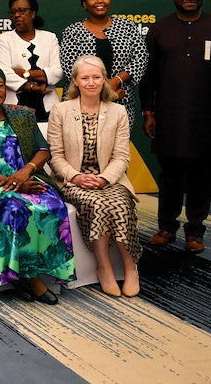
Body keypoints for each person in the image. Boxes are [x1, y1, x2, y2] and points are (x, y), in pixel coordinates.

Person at [140, 0, 211, 254]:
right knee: (170, 175)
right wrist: (149, 111)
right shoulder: (160, 30)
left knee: (203, 175)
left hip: (208, 117)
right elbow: (149, 77)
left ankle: (195, 231)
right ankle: (166, 227)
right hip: (169, 117)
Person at [0, 63, 74, 303]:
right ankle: (29, 280)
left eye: (0, 85)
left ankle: (34, 269)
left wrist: (27, 171)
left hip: (24, 176)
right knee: (14, 207)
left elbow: (43, 149)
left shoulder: (20, 115)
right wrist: (15, 184)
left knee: (52, 204)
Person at [48, 56, 140, 297]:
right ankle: (105, 267)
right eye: (85, 78)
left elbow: (121, 156)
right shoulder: (61, 110)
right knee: (97, 204)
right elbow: (55, 156)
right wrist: (76, 177)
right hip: (72, 180)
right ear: (75, 81)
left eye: (96, 77)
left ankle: (131, 268)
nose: (91, 82)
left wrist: (104, 179)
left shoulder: (118, 112)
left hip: (110, 179)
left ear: (104, 79)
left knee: (120, 203)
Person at [59, 0, 148, 125]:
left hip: (120, 101)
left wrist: (116, 80)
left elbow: (140, 58)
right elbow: (71, 67)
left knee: (117, 146)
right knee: (78, 145)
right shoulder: (73, 31)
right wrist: (105, 91)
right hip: (80, 104)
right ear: (84, 3)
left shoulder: (127, 27)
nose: (100, 1)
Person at [0, 0, 62, 121]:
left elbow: (58, 71)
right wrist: (33, 87)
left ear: (33, 13)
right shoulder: (4, 40)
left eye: (22, 11)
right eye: (13, 12)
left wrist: (25, 73)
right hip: (15, 106)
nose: (17, 15)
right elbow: (4, 73)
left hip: (48, 106)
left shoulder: (49, 37)